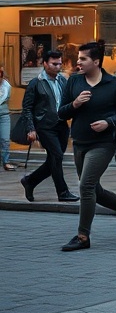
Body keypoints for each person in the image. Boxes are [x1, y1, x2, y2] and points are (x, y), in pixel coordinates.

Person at [57, 41, 116, 251]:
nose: (78, 62)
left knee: (85, 186)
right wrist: (75, 104)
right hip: (80, 142)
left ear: (96, 61)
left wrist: (109, 122)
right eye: (79, 58)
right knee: (94, 189)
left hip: (104, 143)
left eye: (83, 59)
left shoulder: (114, 85)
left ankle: (83, 236)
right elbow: (61, 113)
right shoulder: (73, 82)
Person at [20, 51, 78, 202]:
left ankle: (30, 181)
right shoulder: (36, 82)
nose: (58, 66)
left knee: (54, 159)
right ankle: (63, 192)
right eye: (54, 64)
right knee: (57, 156)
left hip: (62, 125)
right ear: (45, 63)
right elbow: (27, 108)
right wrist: (31, 128)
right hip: (44, 126)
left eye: (60, 63)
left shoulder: (62, 80)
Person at [0, 66, 12, 170]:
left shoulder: (6, 85)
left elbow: (6, 100)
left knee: (5, 139)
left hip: (4, 114)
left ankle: (6, 161)